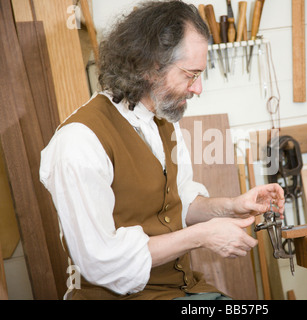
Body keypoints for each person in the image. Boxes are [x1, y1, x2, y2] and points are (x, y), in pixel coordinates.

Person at [40, 0, 284, 300]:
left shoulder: (161, 121)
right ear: (151, 67)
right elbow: (99, 262)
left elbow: (181, 204)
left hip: (178, 290)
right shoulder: (80, 141)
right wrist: (202, 236)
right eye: (190, 75)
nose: (198, 89)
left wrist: (232, 206)